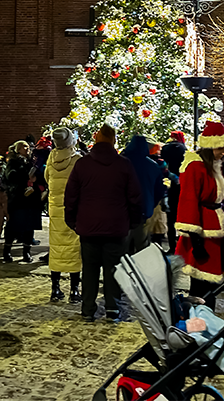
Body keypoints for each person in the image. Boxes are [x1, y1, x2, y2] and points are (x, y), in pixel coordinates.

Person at [64, 124, 142, 323]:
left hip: (88, 227)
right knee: (114, 268)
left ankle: (88, 308)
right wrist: (133, 221)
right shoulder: (123, 165)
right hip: (116, 227)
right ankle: (112, 308)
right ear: (114, 140)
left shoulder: (83, 165)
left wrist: (72, 219)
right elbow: (134, 197)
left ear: (96, 139)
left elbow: (71, 195)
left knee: (89, 270)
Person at [174, 121, 224, 310]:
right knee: (200, 283)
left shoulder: (219, 165)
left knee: (212, 283)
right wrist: (195, 238)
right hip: (202, 231)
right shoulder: (195, 167)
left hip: (217, 229)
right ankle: (198, 321)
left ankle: (207, 317)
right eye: (221, 148)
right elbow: (189, 200)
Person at [45, 127, 83, 303]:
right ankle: (74, 290)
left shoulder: (51, 158)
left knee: (56, 248)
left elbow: (47, 178)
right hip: (73, 209)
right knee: (74, 249)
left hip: (55, 209)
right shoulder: (77, 160)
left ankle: (55, 289)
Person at [122, 134, 166, 254]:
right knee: (142, 246)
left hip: (123, 210)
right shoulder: (152, 166)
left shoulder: (121, 163)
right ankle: (141, 270)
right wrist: (151, 204)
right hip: (143, 209)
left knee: (123, 247)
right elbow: (159, 190)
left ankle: (124, 270)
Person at [2, 140, 42, 263]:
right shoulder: (13, 162)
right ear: (18, 149)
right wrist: (26, 177)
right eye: (23, 146)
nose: (27, 148)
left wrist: (36, 179)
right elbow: (10, 177)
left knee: (29, 226)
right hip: (18, 198)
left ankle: (26, 252)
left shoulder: (32, 161)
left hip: (31, 198)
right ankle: (7, 251)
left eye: (27, 146)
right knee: (14, 225)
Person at [160, 131, 186, 253]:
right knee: (182, 219)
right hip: (182, 189)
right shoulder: (185, 151)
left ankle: (172, 247)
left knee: (170, 220)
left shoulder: (165, 149)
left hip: (169, 187)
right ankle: (182, 247)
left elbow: (163, 166)